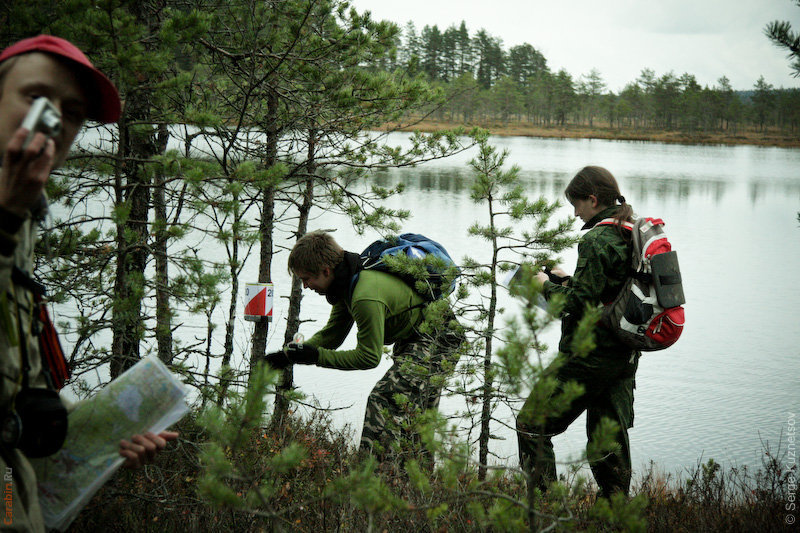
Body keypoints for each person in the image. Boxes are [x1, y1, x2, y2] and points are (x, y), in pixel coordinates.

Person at [0, 35, 177, 532]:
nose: (52, 120)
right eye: (35, 98)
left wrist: (101, 437)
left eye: (71, 112)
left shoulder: (22, 222)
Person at [264, 230, 463, 461]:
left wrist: (316, 357)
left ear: (326, 271)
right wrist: (288, 356)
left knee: (384, 400)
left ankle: (374, 481)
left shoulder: (364, 295)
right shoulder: (348, 281)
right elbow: (332, 335)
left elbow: (368, 357)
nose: (306, 286)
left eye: (307, 278)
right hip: (417, 337)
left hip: (439, 339)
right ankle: (410, 488)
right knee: (413, 418)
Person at [516, 165, 639, 498]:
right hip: (623, 351)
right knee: (607, 440)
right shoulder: (630, 229)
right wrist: (567, 279)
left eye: (577, 204)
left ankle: (543, 507)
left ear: (593, 200)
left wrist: (544, 286)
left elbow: (580, 304)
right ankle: (614, 516)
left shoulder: (597, 238)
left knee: (531, 425)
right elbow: (607, 292)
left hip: (588, 354)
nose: (574, 213)